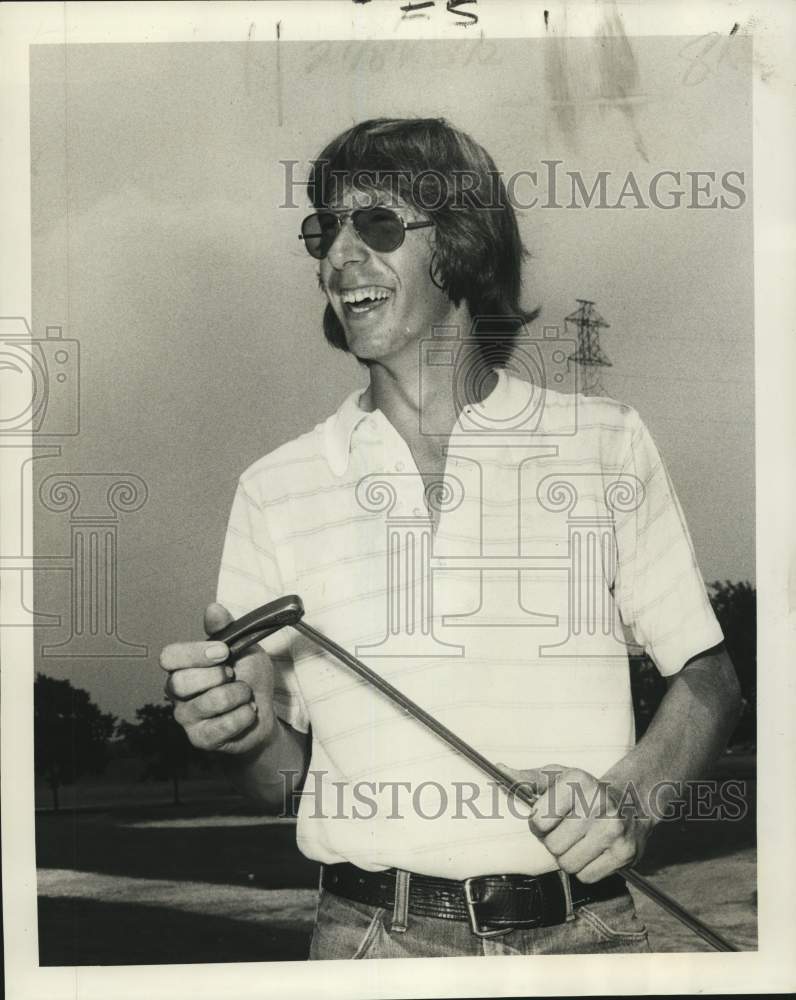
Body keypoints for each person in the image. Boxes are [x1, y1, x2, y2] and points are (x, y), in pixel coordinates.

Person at [160, 118, 741, 959]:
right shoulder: (274, 486)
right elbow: (281, 783)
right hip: (368, 943)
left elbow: (708, 678)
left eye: (379, 225)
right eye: (325, 232)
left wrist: (629, 804)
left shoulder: (604, 439)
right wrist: (246, 733)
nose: (337, 257)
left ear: (463, 245)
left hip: (590, 936)